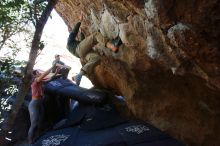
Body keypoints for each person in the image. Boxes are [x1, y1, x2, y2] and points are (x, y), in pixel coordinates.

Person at [67, 11, 122, 85]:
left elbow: (83, 44)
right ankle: (112, 46)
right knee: (95, 35)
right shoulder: (69, 42)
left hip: (82, 55)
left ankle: (79, 75)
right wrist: (80, 21)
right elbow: (74, 32)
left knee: (96, 58)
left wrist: (82, 33)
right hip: (79, 51)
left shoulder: (73, 46)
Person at [28, 65, 57, 144]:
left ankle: (37, 137)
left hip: (40, 103)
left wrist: (56, 72)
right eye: (38, 73)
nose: (39, 73)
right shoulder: (35, 81)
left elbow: (50, 78)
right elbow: (44, 74)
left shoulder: (40, 82)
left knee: (40, 121)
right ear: (35, 75)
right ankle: (30, 142)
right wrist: (52, 67)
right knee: (34, 124)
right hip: (34, 104)